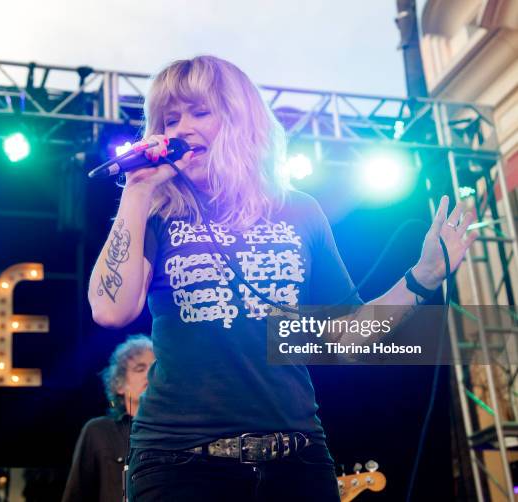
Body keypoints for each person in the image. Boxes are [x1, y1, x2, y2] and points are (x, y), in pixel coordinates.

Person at [88, 55, 477, 501]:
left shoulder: (300, 211)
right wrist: (138, 191)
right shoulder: (157, 212)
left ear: (240, 119)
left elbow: (344, 340)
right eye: (170, 118)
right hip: (178, 461)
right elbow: (110, 308)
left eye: (200, 112)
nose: (180, 129)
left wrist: (422, 277)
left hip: (297, 459)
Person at [62, 335, 154, 502]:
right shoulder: (99, 431)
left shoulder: (176, 433)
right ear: (119, 384)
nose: (150, 374)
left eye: (155, 368)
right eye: (140, 369)